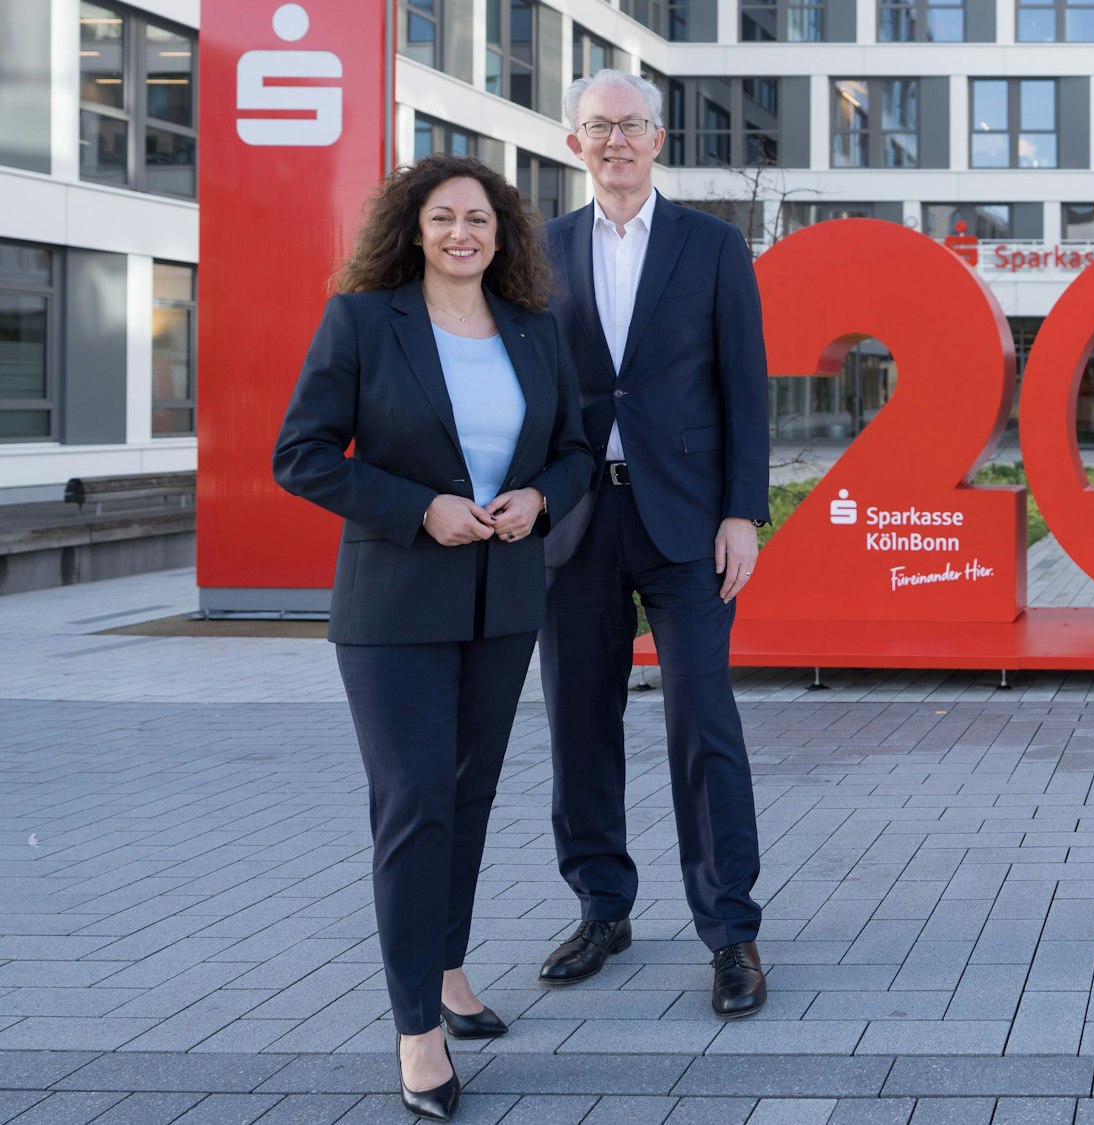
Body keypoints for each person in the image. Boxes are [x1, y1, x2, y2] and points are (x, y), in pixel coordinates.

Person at [273, 153, 594, 1121]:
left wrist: (541, 497)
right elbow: (302, 455)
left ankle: (447, 968)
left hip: (500, 603)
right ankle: (416, 1027)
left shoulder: (534, 332)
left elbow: (574, 450)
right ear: (413, 228)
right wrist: (421, 510)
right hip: (394, 608)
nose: (464, 233)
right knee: (415, 801)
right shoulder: (366, 321)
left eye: (481, 221)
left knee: (469, 795)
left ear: (504, 237)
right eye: (445, 217)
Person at [535, 68, 773, 1018]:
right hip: (576, 522)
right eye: (599, 127)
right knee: (576, 720)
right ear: (574, 143)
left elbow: (744, 387)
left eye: (633, 125)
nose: (617, 141)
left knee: (702, 722)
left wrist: (741, 512)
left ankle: (730, 928)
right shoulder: (538, 250)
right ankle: (603, 905)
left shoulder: (713, 246)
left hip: (685, 523)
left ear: (661, 139)